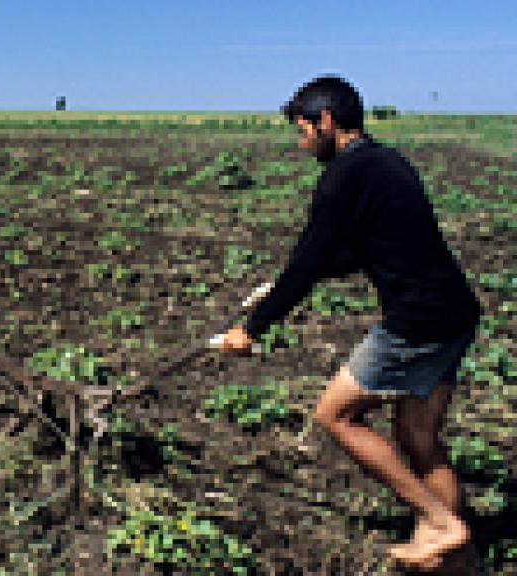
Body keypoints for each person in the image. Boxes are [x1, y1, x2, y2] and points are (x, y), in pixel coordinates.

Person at [217, 75, 481, 570]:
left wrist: (251, 329)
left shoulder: (344, 174)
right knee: (419, 436)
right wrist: (278, 289)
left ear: (327, 121)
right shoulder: (385, 162)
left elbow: (308, 259)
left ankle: (442, 524)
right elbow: (360, 248)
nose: (301, 143)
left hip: (417, 322)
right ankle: (458, 563)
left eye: (303, 130)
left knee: (334, 416)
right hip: (453, 313)